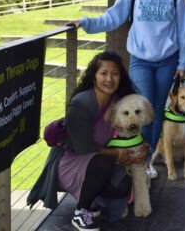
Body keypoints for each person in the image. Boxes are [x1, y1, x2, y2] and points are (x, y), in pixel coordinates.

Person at [70, 0, 185, 180]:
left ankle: (145, 160)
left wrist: (183, 62)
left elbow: (183, 31)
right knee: (142, 109)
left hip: (168, 61)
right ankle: (138, 157)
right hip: (140, 61)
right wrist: (85, 22)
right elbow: (113, 17)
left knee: (155, 111)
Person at [62, 51, 148, 230]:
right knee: (105, 163)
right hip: (71, 160)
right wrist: (117, 154)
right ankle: (81, 211)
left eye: (115, 73)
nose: (109, 79)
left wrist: (143, 148)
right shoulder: (81, 103)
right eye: (103, 73)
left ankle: (90, 196)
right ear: (94, 77)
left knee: (123, 185)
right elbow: (83, 147)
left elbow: (132, 132)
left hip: (100, 159)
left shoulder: (119, 101)